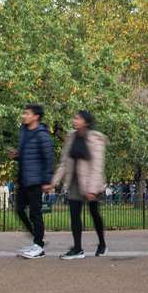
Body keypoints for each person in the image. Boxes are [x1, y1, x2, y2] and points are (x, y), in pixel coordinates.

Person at [52, 109, 107, 259]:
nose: (74, 120)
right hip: (75, 181)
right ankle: (77, 248)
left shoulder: (95, 139)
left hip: (91, 182)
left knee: (94, 214)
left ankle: (102, 244)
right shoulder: (71, 137)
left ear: (86, 122)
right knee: (74, 215)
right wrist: (53, 182)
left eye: (78, 118)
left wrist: (92, 189)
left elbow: (97, 166)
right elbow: (64, 162)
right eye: (74, 118)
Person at [11, 104, 54, 259]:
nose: (24, 115)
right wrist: (17, 155)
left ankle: (39, 246)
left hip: (36, 180)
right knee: (19, 210)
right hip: (24, 178)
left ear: (36, 116)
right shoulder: (23, 131)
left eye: (27, 113)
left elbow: (49, 158)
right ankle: (37, 240)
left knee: (35, 214)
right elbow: (26, 153)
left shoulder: (42, 134)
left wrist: (48, 180)